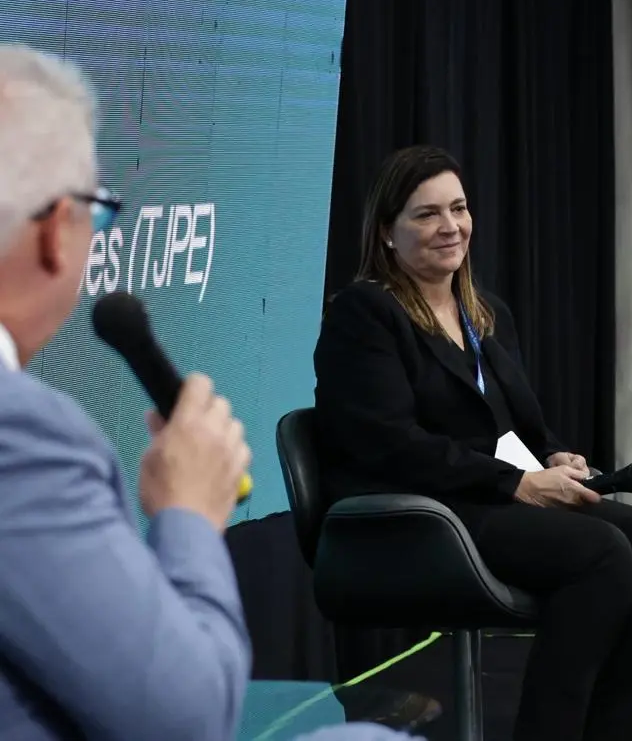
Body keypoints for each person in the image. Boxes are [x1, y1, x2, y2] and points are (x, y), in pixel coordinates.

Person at [0, 43, 412, 740]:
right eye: (97, 214)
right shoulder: (26, 439)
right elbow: (186, 718)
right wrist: (189, 512)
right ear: (52, 236)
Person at [313, 145, 632, 741]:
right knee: (601, 554)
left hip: (495, 496)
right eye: (426, 214)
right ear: (387, 232)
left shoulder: (484, 314)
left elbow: (518, 424)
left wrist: (552, 458)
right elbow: (386, 444)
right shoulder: (365, 313)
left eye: (459, 209)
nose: (450, 227)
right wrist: (514, 483)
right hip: (426, 509)